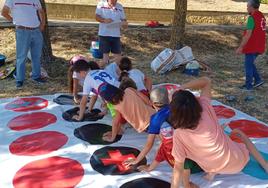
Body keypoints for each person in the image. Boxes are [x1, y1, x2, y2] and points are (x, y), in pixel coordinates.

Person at [170, 77, 268, 188]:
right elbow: (206, 81)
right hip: (237, 162)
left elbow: (178, 168)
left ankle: (213, 172)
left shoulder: (178, 135)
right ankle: (265, 165)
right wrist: (181, 87)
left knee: (188, 154)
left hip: (211, 166)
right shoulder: (205, 108)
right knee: (237, 132)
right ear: (195, 103)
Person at [124, 87, 202, 187]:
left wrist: (136, 160)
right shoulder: (178, 109)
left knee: (165, 147)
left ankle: (186, 184)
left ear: (152, 104)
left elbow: (149, 144)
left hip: (180, 157)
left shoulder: (155, 119)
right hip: (189, 152)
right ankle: (185, 183)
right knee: (165, 147)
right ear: (169, 100)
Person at [1, 0, 46, 88]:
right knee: (21, 57)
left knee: (36, 56)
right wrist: (15, 21)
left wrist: (42, 24)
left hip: (36, 31)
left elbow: (41, 11)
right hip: (22, 31)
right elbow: (4, 12)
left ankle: (36, 76)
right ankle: (19, 80)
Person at [236, 0, 266, 90]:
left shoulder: (251, 18)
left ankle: (248, 86)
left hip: (252, 45)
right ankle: (258, 80)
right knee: (250, 63)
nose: (247, 8)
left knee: (248, 66)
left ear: (252, 7)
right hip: (260, 45)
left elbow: (248, 34)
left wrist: (240, 47)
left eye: (248, 6)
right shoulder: (261, 16)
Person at [95, 0, 128, 67]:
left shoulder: (120, 6)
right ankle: (99, 71)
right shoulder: (101, 4)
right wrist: (104, 20)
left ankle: (114, 72)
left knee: (118, 58)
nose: (114, 1)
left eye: (116, 0)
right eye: (112, 0)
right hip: (104, 35)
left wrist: (125, 24)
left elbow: (124, 20)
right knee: (105, 60)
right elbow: (96, 17)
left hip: (116, 35)